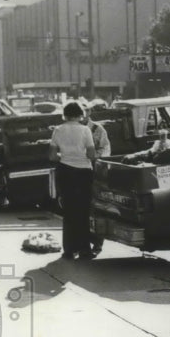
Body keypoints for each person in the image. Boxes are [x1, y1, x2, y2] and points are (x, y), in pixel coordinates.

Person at [49, 102, 97, 259]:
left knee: (69, 212)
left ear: (65, 115)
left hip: (65, 172)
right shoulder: (85, 130)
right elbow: (91, 155)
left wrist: (65, 156)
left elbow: (51, 156)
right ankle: (85, 250)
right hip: (83, 172)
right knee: (83, 211)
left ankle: (69, 250)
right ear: (79, 115)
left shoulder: (57, 130)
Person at [85, 112, 111, 256]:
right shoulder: (74, 128)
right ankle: (84, 242)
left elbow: (105, 149)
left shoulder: (98, 129)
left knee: (96, 208)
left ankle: (97, 244)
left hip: (94, 172)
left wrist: (92, 156)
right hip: (80, 171)